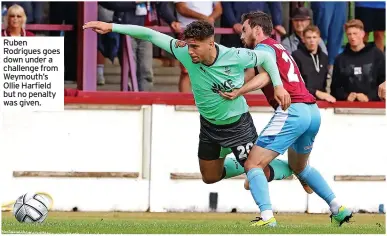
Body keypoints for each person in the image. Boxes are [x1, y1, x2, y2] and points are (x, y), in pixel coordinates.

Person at [83, 20, 315, 199]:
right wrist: (111, 27)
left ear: (210, 43)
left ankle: (293, 170)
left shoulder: (235, 55)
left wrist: (277, 85)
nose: (190, 51)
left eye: (195, 46)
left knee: (258, 173)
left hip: (238, 123)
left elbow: (266, 58)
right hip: (210, 125)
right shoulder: (183, 50)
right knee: (210, 177)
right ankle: (251, 163)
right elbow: (150, 34)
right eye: (189, 46)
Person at [220, 11, 352, 227]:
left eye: (244, 30)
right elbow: (253, 74)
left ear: (256, 29)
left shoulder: (262, 49)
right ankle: (338, 208)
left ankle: (267, 218)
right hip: (312, 112)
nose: (241, 35)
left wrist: (239, 92)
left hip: (292, 111)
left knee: (253, 163)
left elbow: (264, 77)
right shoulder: (279, 48)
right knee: (300, 167)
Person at [292, 25, 335, 103]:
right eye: (309, 38)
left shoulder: (324, 57)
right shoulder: (296, 56)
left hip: (321, 101)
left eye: (314, 37)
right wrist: (316, 92)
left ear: (319, 39)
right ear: (303, 39)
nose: (312, 40)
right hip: (302, 101)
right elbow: (295, 84)